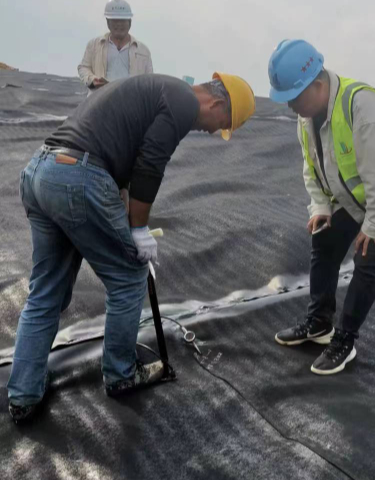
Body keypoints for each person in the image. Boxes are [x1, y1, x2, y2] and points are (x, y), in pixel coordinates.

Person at [7, 72, 255, 424]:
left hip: (42, 172)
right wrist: (138, 230)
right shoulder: (183, 100)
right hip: (77, 177)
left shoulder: (153, 90)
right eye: (223, 123)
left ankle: (24, 394)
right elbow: (150, 163)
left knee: (46, 291)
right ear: (217, 103)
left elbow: (120, 163)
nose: (215, 130)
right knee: (128, 279)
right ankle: (122, 374)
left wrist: (126, 218)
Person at [268, 40, 375, 376]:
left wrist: (372, 227)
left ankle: (345, 339)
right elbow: (311, 167)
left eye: (295, 98)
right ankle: (319, 323)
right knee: (324, 241)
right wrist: (321, 207)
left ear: (318, 84)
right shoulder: (306, 115)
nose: (292, 107)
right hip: (356, 196)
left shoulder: (361, 105)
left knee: (368, 258)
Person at [78, 0, 153, 92]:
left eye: (122, 20)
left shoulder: (143, 50)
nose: (119, 24)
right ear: (107, 22)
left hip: (130, 102)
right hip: (101, 101)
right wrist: (92, 79)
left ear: (130, 22)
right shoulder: (94, 45)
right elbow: (83, 67)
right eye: (115, 20)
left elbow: (150, 80)